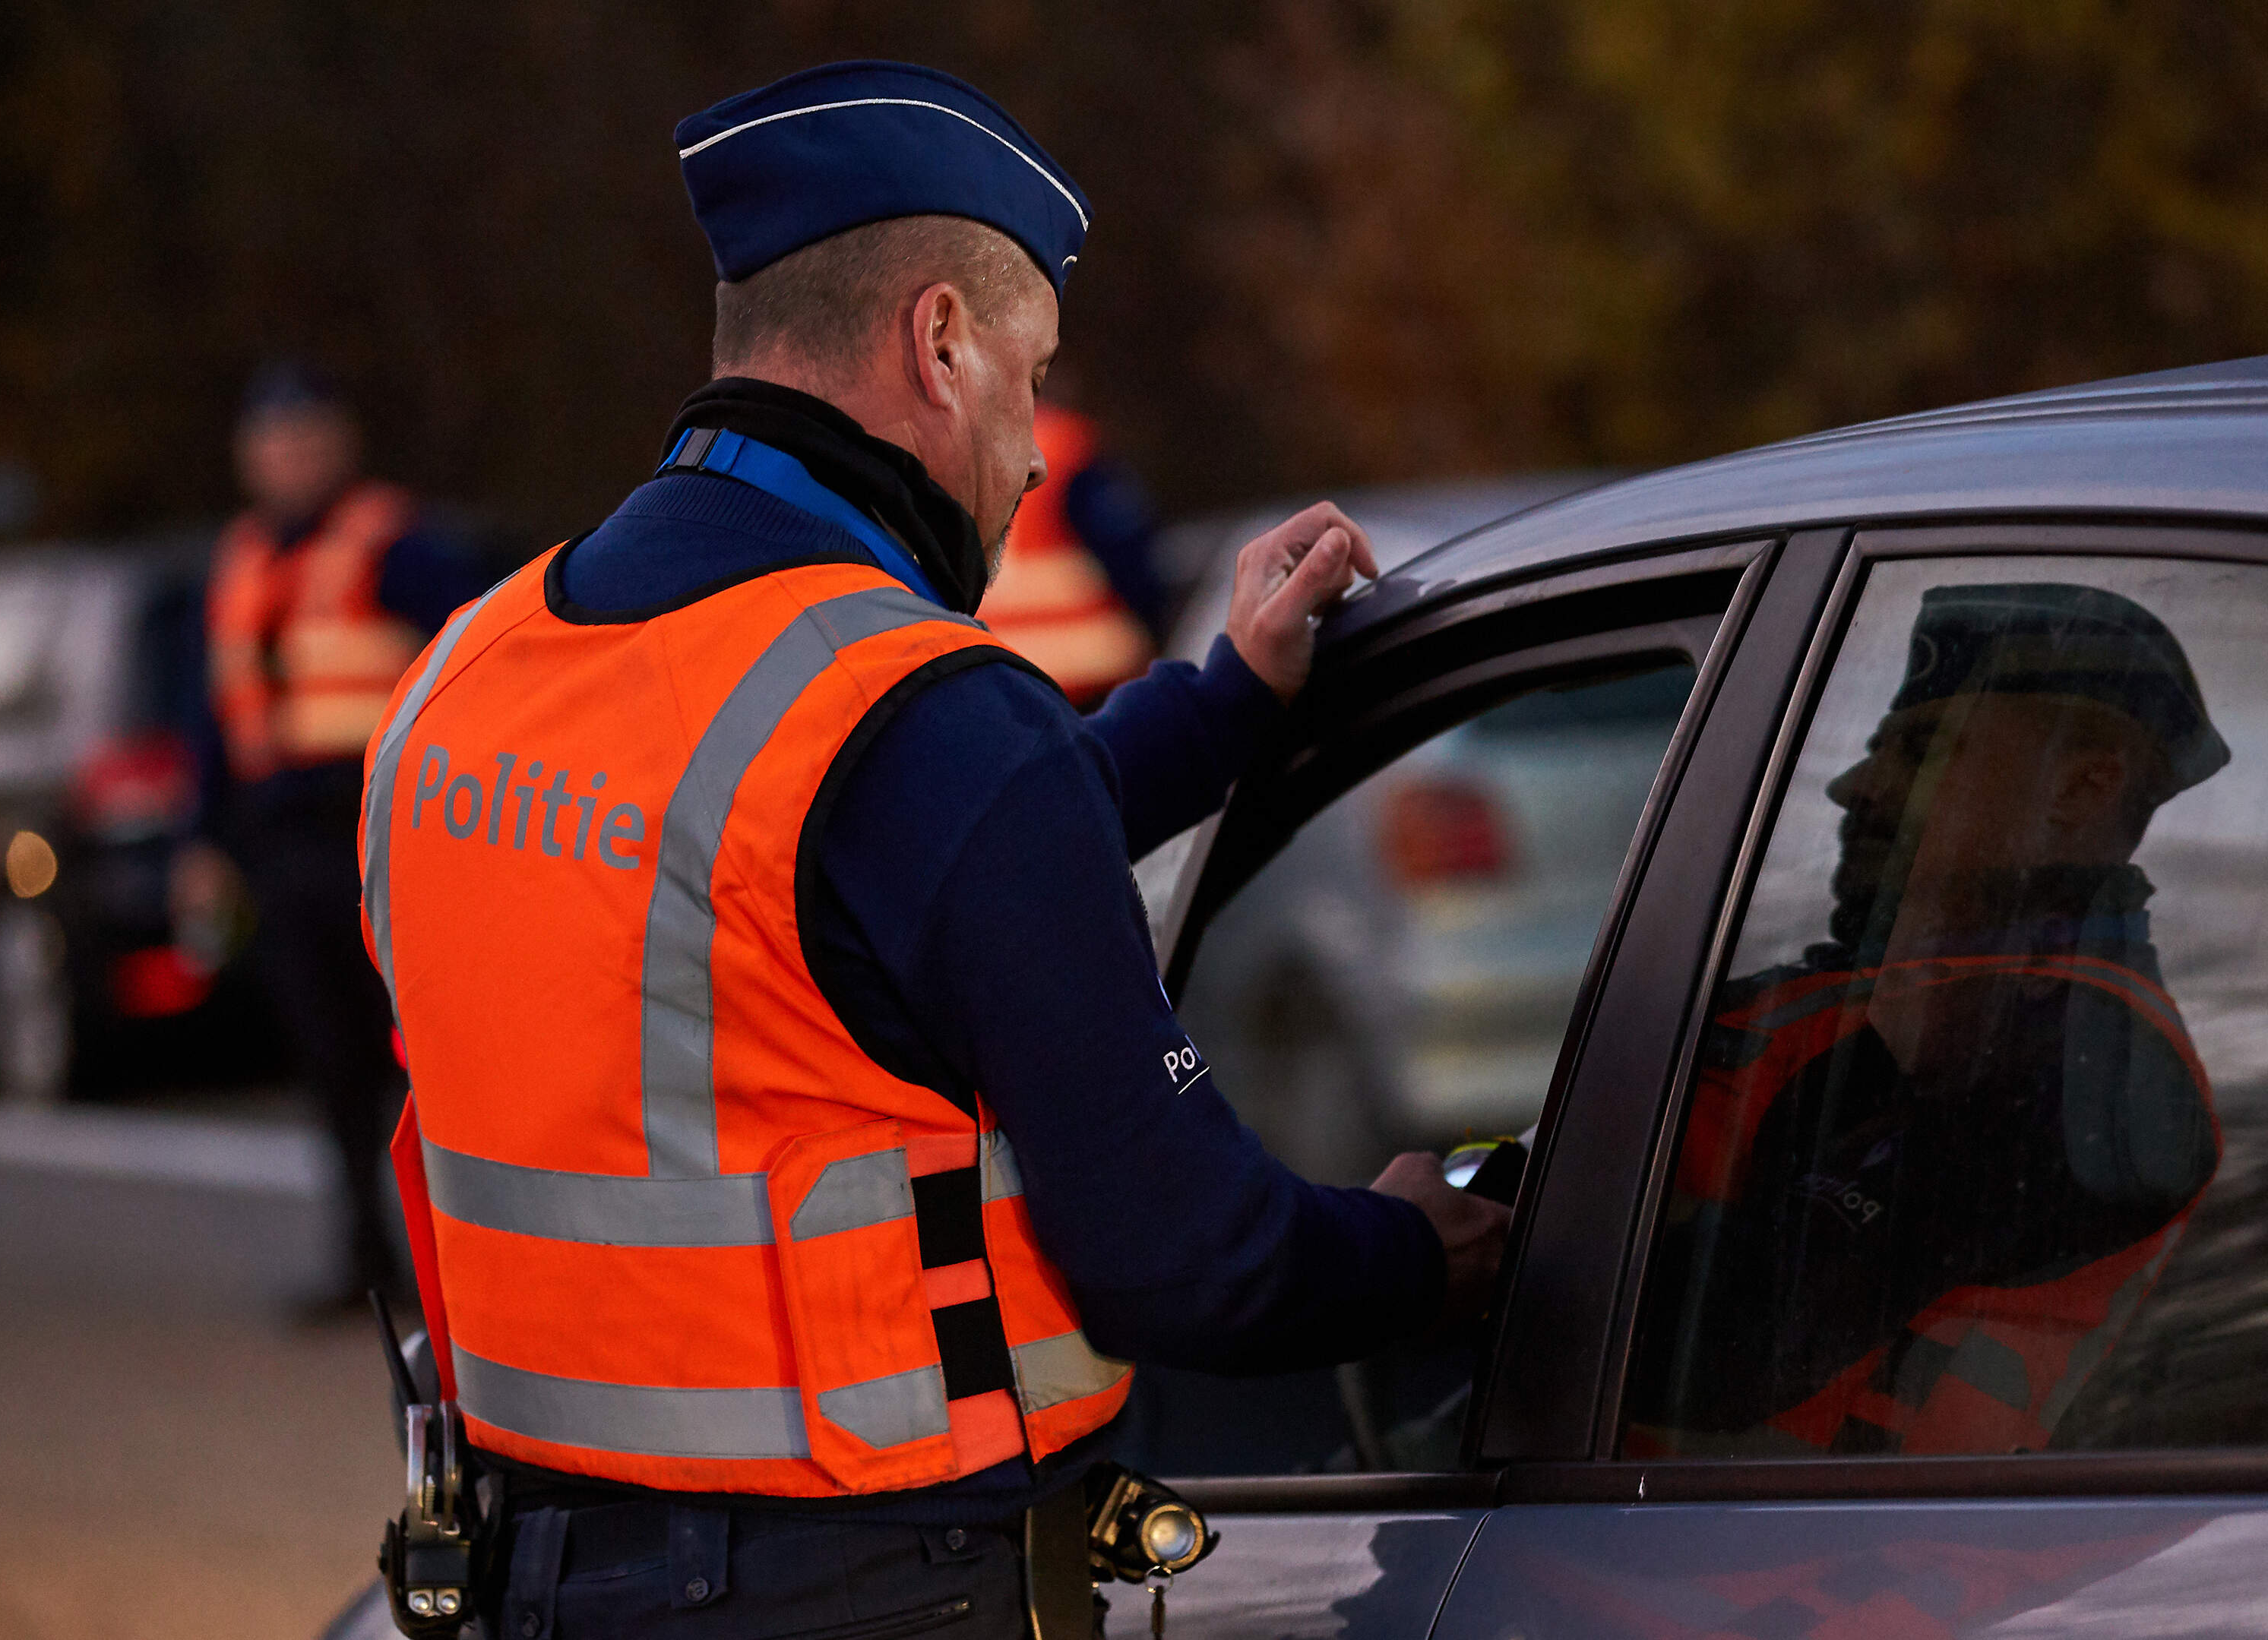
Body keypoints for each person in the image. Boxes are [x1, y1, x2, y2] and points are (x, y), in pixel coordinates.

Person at [358, 62, 1510, 1637]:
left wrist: (1223, 703)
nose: (1036, 454)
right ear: (941, 341)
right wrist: (1414, 1251)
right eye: (1030, 375)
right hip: (870, 1585)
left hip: (528, 1573)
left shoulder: (466, 681)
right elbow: (1186, 1259)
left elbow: (835, 898)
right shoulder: (918, 712)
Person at [1631, 583, 2228, 1458]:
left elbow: (1722, 1340)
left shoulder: (2070, 1050)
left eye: (1920, 748)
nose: (1852, 783)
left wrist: (1482, 1248)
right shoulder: (1867, 995)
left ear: (2080, 788)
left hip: (1756, 1582)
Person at [182, 363, 486, 1318]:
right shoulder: (238, 563)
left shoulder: (396, 547)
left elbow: (480, 660)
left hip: (384, 846)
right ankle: (368, 1264)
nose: (291, 457)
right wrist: (205, 840)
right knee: (330, 1066)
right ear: (247, 457)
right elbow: (218, 721)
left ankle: (474, 1269)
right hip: (282, 851)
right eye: (275, 440)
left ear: (343, 443)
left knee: (429, 1066)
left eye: (308, 436)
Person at [975, 399, 1169, 706]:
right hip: (1096, 678)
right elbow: (1132, 564)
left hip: (998, 681)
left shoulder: (949, 450)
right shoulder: (1063, 446)